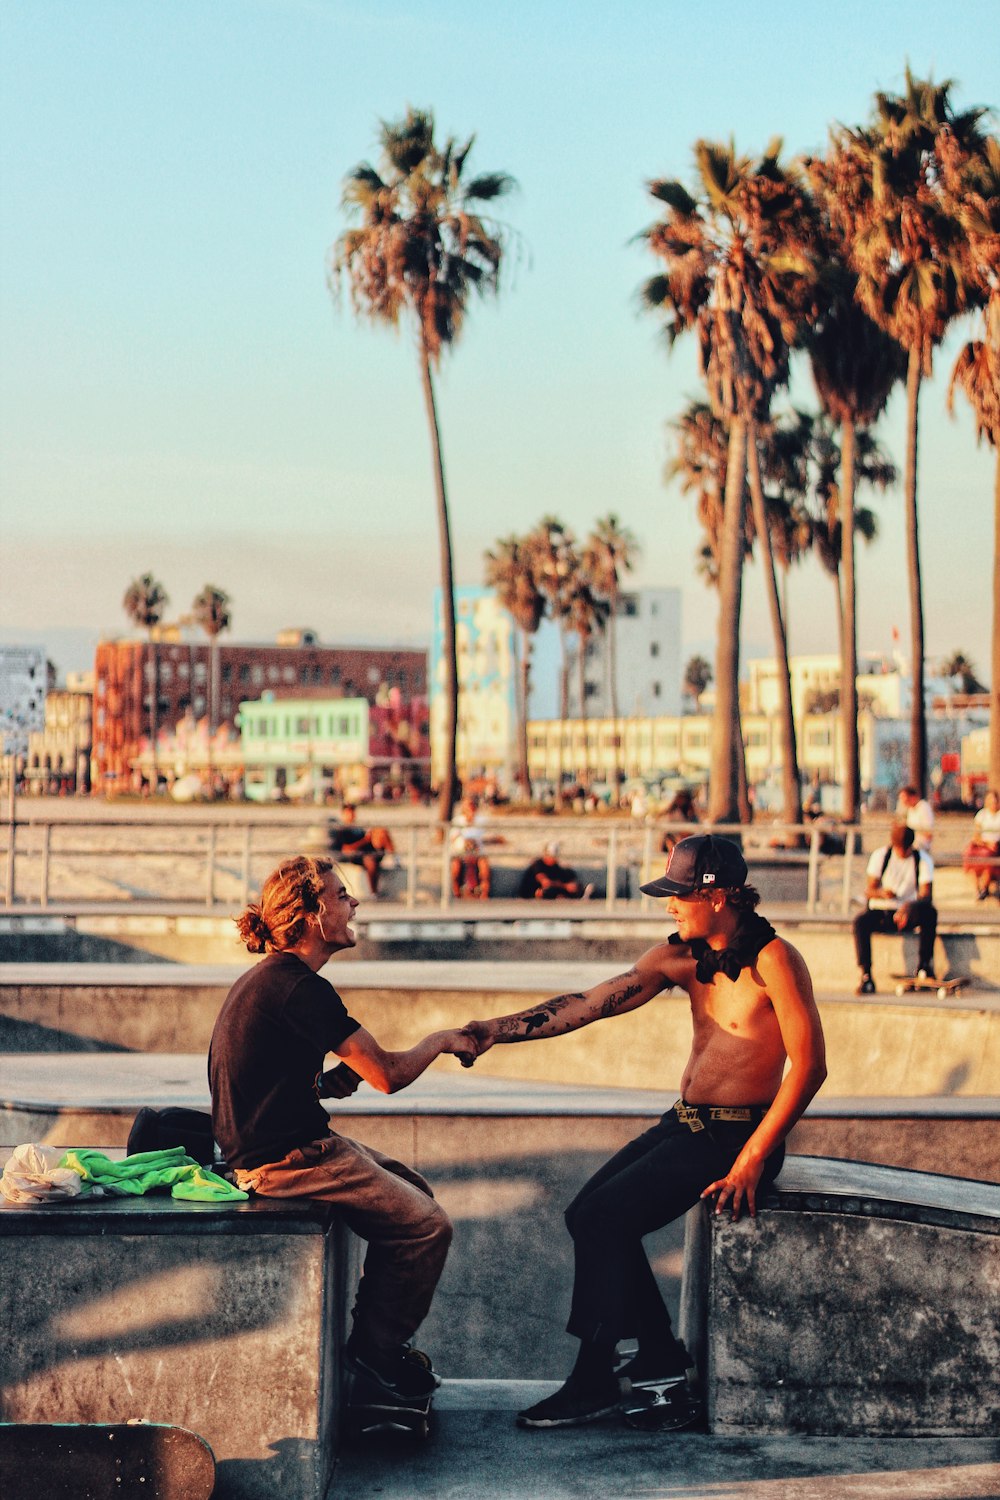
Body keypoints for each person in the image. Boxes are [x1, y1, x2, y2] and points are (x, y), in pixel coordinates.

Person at [459, 833, 826, 1430]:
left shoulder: (774, 960)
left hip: (738, 1137)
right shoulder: (680, 956)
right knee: (586, 1215)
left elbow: (810, 1066)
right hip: (685, 1124)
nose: (669, 904)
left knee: (606, 1220)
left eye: (680, 894)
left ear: (722, 895)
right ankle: (656, 1361)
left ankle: (595, 1379)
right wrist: (494, 1029)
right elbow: (590, 1002)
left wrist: (756, 1157)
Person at [208, 853, 474, 1403]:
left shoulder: (272, 982)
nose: (354, 903)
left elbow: (266, 1081)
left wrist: (325, 1085)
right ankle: (374, 1355)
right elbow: (388, 1076)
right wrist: (443, 1040)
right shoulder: (302, 989)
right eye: (342, 895)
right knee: (428, 1226)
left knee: (414, 1193)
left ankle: (375, 1336)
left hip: (286, 1145)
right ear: (311, 915)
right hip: (285, 1163)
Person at [853, 823, 937, 994]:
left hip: (910, 912)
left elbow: (926, 895)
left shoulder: (922, 859)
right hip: (883, 911)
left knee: (930, 913)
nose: (902, 853)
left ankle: (924, 966)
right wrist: (882, 893)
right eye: (899, 849)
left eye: (905, 850)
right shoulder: (881, 856)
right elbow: (869, 890)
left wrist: (909, 907)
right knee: (860, 922)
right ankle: (866, 974)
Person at [326, 804, 395, 896]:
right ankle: (373, 892)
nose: (351, 815)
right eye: (348, 813)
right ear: (343, 814)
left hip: (366, 852)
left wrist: (370, 837)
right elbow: (347, 850)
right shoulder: (342, 831)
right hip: (354, 856)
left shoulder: (357, 829)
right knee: (370, 860)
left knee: (381, 831)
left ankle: (394, 857)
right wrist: (365, 840)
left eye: (352, 812)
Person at [517, 841, 593, 900]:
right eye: (550, 856)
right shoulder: (538, 864)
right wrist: (566, 886)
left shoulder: (555, 866)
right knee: (549, 891)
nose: (553, 858)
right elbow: (546, 883)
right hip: (533, 892)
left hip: (550, 890)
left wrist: (571, 884)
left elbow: (560, 877)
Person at [449, 796, 491, 899]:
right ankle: (456, 893)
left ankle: (484, 895)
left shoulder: (482, 820)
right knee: (455, 867)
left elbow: (489, 837)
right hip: (461, 851)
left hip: (477, 852)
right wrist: (465, 842)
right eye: (467, 805)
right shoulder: (457, 821)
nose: (470, 808)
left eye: (472, 805)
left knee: (484, 867)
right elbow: (452, 838)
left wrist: (475, 842)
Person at [963, 789, 1000, 901]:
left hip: (996, 846)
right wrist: (986, 843)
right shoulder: (982, 814)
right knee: (975, 859)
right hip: (983, 845)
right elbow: (976, 834)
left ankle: (984, 888)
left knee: (989, 860)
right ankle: (978, 889)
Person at [896, 785, 934, 851]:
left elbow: (928, 834)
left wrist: (911, 831)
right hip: (911, 841)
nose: (903, 801)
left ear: (912, 797)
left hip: (920, 843)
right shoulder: (910, 809)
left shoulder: (924, 807)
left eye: (904, 798)